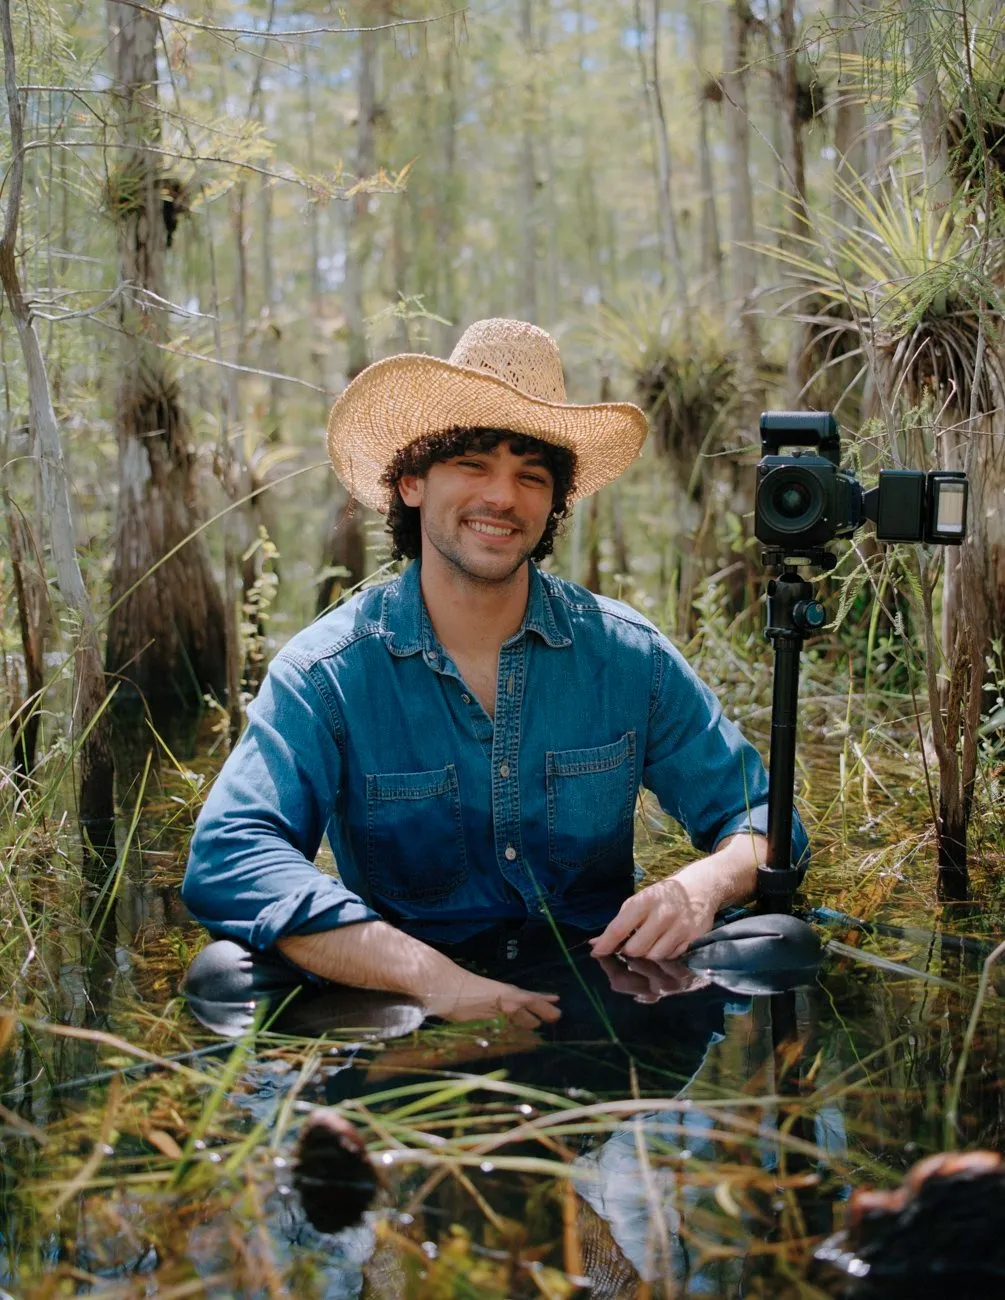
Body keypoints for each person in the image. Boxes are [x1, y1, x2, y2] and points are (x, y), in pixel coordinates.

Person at [180, 318, 808, 1034]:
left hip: (598, 973)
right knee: (227, 979)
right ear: (411, 482)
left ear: (551, 506)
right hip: (411, 990)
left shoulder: (625, 655)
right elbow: (232, 854)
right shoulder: (327, 671)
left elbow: (764, 817)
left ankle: (637, 1096)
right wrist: (435, 982)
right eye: (473, 465)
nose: (502, 497)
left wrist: (699, 887)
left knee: (777, 943)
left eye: (530, 477)